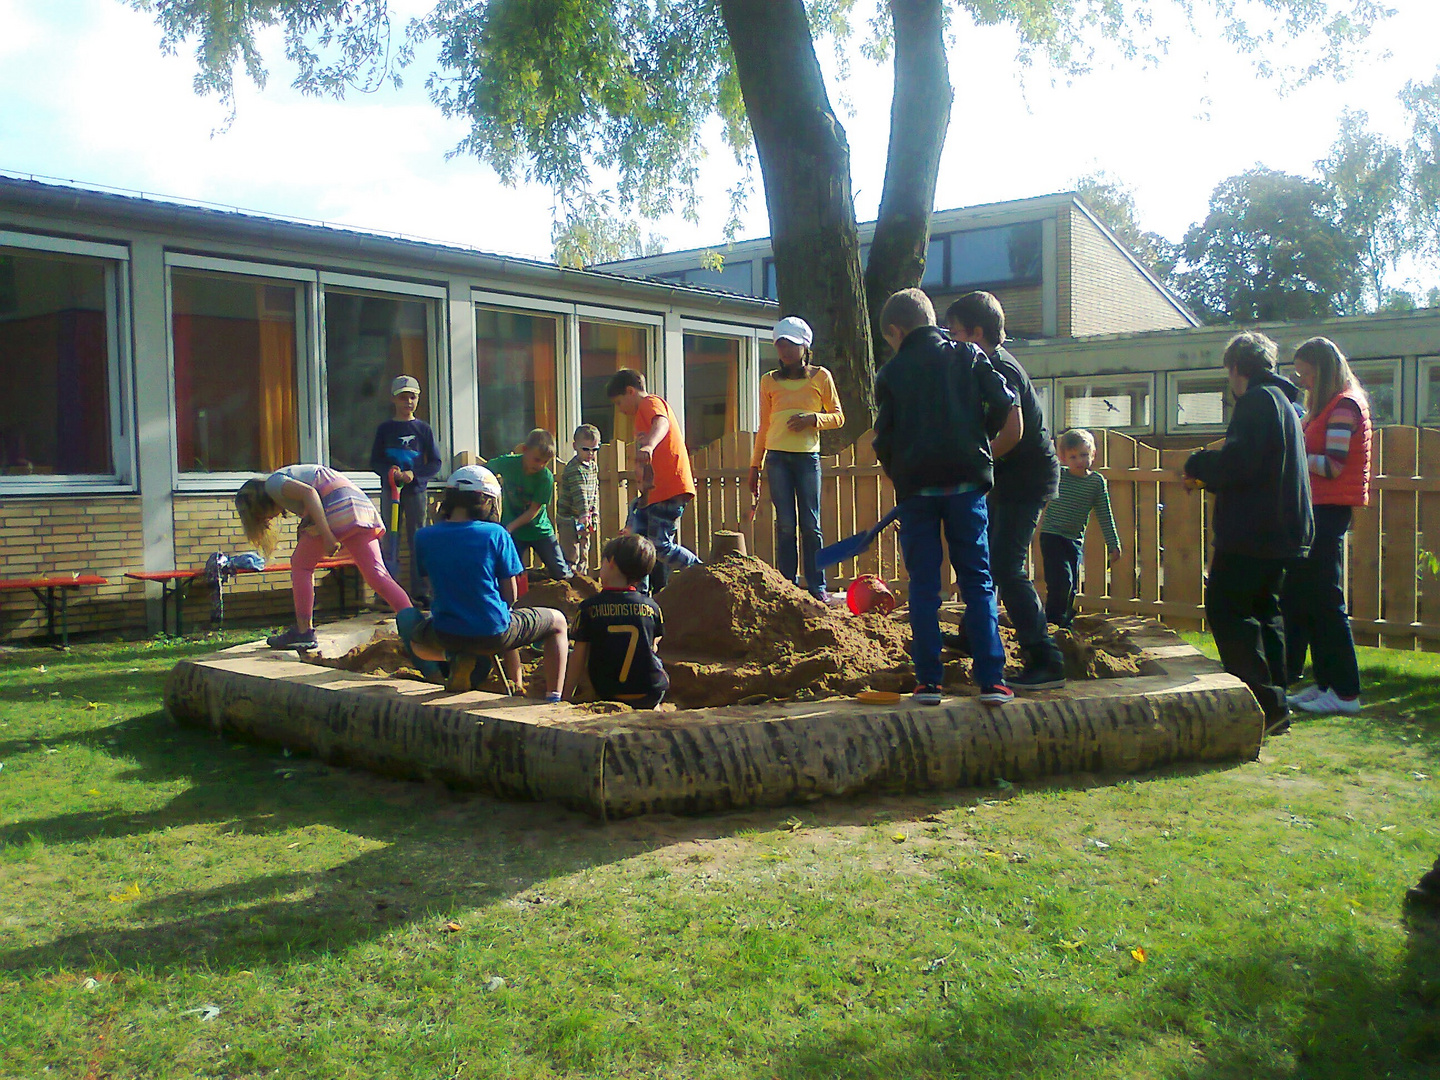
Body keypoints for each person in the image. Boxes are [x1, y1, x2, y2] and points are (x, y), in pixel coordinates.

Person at [873, 287, 1021, 707]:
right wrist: (980, 437)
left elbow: (884, 438)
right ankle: (992, 679)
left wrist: (898, 472)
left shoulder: (892, 373)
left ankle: (928, 683)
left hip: (918, 490)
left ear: (896, 331)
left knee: (924, 584)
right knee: (977, 580)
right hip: (966, 484)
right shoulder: (968, 355)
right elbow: (1003, 400)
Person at [1182, 331, 1313, 737]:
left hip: (1253, 531)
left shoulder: (1257, 401)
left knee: (1229, 609)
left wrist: (1199, 464)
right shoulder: (1287, 402)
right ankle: (1277, 702)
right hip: (1283, 530)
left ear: (1236, 368)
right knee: (1264, 612)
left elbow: (1241, 464)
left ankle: (1257, 701)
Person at [948, 292, 1065, 687]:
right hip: (1008, 478)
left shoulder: (1000, 367)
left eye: (956, 333)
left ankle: (1044, 657)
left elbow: (1013, 432)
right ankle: (972, 634)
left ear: (977, 333)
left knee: (1006, 566)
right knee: (986, 556)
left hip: (1026, 479)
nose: (951, 341)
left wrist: (979, 460)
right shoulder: (984, 363)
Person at [399, 465, 568, 700]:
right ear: (487, 501)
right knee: (557, 622)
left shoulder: (424, 536)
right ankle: (553, 697)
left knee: (410, 626)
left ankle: (450, 661)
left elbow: (431, 584)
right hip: (492, 633)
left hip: (446, 632)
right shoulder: (496, 533)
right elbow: (512, 595)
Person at [1282, 337, 1371, 717]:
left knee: (1327, 601)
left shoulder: (1344, 407)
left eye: (1306, 373)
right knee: (1314, 599)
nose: (1302, 381)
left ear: (1324, 369)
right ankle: (1326, 685)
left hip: (1328, 511)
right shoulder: (1329, 404)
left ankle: (1347, 692)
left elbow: (1334, 465)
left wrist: (1295, 452)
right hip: (1320, 508)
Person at [235, 463, 412, 652]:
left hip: (336, 506)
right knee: (378, 575)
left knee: (301, 565)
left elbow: (310, 494)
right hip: (359, 506)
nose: (269, 520)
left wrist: (327, 536)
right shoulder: (289, 477)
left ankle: (304, 632)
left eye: (262, 517)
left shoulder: (273, 484)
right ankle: (414, 625)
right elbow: (314, 499)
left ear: (259, 505)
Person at [747, 316, 846, 603]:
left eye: (790, 344)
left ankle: (817, 586)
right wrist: (755, 464)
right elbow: (764, 425)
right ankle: (786, 584)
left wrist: (812, 419)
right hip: (776, 459)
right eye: (780, 344)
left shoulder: (821, 377)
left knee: (810, 524)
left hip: (806, 459)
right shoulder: (768, 381)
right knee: (785, 524)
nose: (785, 350)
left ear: (805, 346)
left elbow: (838, 417)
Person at [608, 368, 701, 594]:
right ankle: (639, 594)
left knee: (659, 546)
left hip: (670, 488)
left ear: (631, 391)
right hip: (653, 493)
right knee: (640, 548)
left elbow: (662, 423)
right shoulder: (639, 416)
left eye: (620, 403)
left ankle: (701, 571)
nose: (620, 410)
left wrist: (649, 444)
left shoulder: (650, 403)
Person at [563, 534, 670, 709]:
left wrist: (567, 696)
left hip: (608, 691)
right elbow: (654, 645)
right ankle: (655, 710)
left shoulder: (589, 608)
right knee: (652, 655)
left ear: (611, 561)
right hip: (650, 690)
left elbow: (579, 656)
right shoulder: (652, 607)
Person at [368, 374, 442, 606]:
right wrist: (389, 472)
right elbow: (375, 461)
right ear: (394, 400)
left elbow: (435, 463)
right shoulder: (385, 429)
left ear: (417, 400)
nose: (407, 402)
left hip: (415, 493)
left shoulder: (423, 429)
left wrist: (414, 475)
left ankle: (421, 592)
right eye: (403, 398)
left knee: (417, 539)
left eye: (412, 397)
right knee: (390, 539)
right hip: (391, 492)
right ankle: (387, 592)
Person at [1039, 429, 1122, 630]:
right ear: (1063, 458)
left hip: (1074, 540)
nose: (1079, 460)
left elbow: (1104, 514)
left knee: (1072, 586)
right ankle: (1051, 624)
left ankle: (1065, 623)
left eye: (1084, 455)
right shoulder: (1059, 475)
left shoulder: (1096, 482)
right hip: (1052, 536)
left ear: (1093, 454)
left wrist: (1113, 543)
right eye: (1073, 456)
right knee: (1061, 582)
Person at [487, 428, 571, 581]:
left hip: (539, 530)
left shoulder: (545, 478)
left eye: (545, 462)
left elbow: (533, 511)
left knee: (561, 572)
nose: (540, 465)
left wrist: (509, 528)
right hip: (513, 531)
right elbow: (485, 471)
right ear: (525, 450)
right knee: (507, 572)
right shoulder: (507, 464)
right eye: (537, 459)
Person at [556, 424, 602, 579]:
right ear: (575, 446)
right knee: (571, 552)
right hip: (569, 518)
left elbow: (594, 491)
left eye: (595, 449)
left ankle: (582, 579)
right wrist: (584, 513)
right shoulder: (574, 468)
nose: (590, 453)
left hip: (584, 517)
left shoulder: (593, 467)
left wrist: (593, 514)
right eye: (585, 449)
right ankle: (570, 580)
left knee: (584, 550)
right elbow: (580, 492)